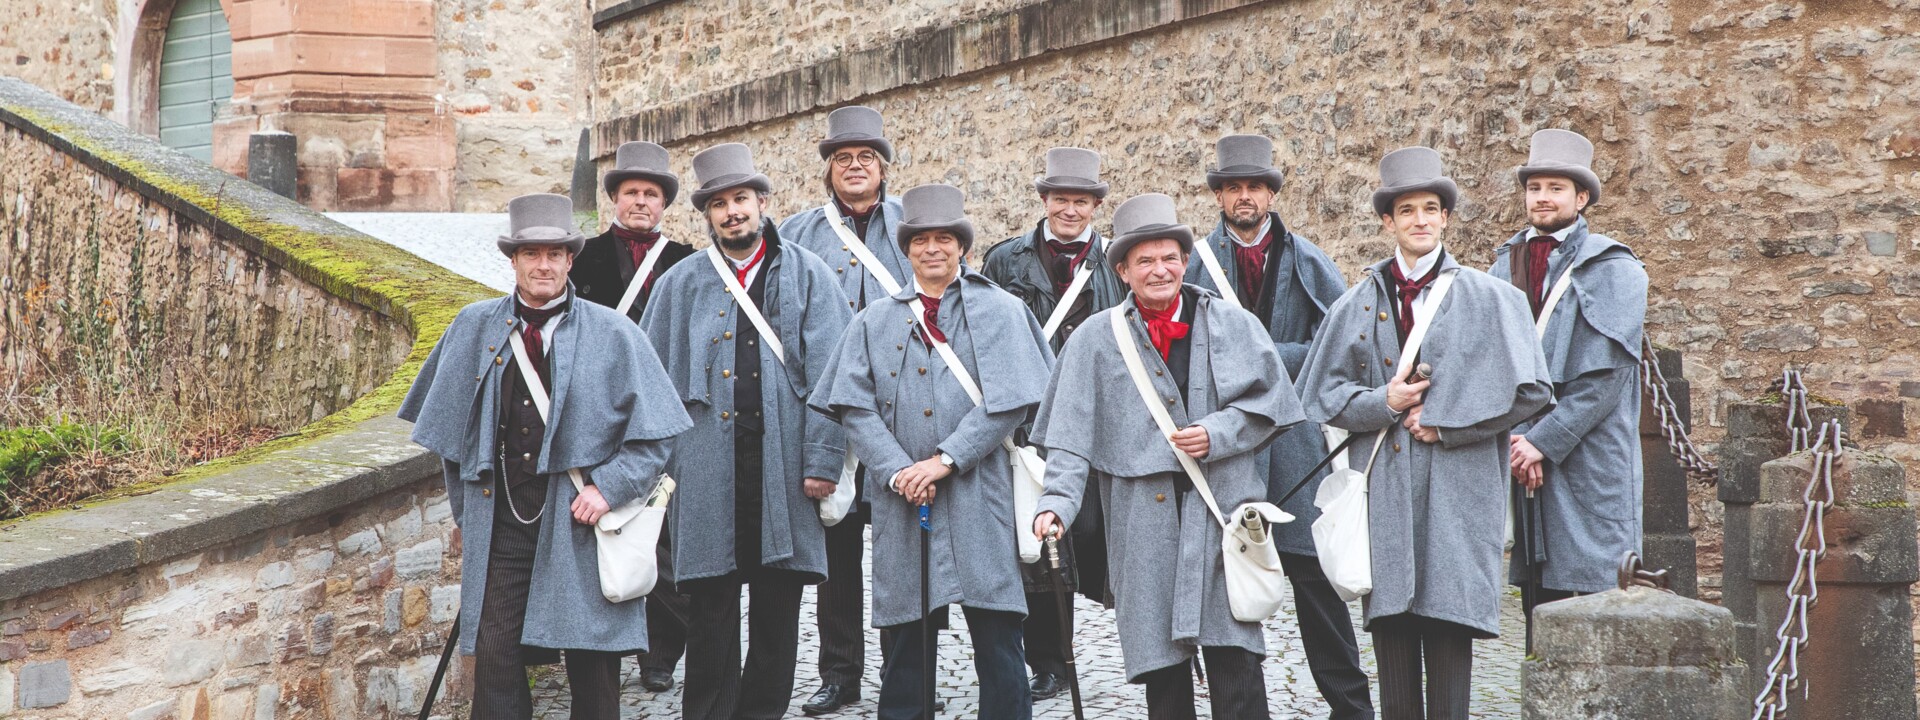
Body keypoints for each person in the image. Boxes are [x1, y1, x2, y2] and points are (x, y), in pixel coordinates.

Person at [398, 192, 692, 719]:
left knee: (592, 660)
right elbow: (450, 440)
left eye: (554, 254)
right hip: (504, 520)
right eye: (531, 253)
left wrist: (610, 488)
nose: (543, 265)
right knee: (494, 652)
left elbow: (659, 436)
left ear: (570, 260)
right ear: (512, 260)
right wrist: (470, 514)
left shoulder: (615, 334)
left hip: (579, 519)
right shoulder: (473, 327)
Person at [1296, 147, 1554, 720]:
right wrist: (1380, 402)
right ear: (1387, 220)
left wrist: (1448, 425)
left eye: (1430, 208)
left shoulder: (1494, 300)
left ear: (1444, 218)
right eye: (1406, 209)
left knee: (1448, 631)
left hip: (1457, 496)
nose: (1419, 219)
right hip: (1384, 494)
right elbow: (1318, 396)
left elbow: (1531, 391)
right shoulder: (1355, 301)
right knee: (1391, 632)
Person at [1032, 193, 1303, 720]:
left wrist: (1217, 432)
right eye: (1145, 261)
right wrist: (1056, 505)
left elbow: (1272, 406)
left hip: (1221, 514)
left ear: (1184, 260)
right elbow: (1067, 439)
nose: (1160, 270)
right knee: (1164, 677)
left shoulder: (1232, 324)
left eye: (1169, 257)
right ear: (1123, 271)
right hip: (1142, 525)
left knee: (1236, 664)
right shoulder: (1092, 340)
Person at [812, 183, 1051, 720]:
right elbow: (854, 406)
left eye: (945, 238)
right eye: (921, 240)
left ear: (962, 246)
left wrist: (943, 460)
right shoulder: (875, 319)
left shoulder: (1001, 309)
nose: (933, 249)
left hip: (979, 495)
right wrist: (899, 471)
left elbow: (1009, 404)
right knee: (907, 644)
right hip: (903, 503)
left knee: (997, 637)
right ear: (908, 248)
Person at [641, 143, 855, 720]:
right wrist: (665, 470)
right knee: (708, 608)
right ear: (706, 214)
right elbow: (652, 385)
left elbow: (836, 378)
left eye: (741, 199)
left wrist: (822, 462)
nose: (732, 211)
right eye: (719, 204)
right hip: (707, 470)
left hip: (785, 470)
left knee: (777, 613)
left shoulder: (810, 276)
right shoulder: (680, 285)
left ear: (762, 201)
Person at [1184, 134, 1369, 719]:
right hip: (1230, 452)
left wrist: (1266, 358)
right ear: (1219, 195)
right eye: (1233, 187)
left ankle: (1351, 707)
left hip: (1296, 449)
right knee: (1234, 587)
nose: (1245, 197)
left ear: (1270, 192)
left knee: (1316, 587)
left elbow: (1342, 347)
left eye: (1254, 187)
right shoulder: (1191, 264)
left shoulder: (1310, 261)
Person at [977, 146, 1126, 701]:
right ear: (1044, 200)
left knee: (1093, 535)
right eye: (1061, 199)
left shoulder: (1116, 260)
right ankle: (1049, 660)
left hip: (1094, 419)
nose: (1070, 209)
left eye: (1081, 201)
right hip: (1028, 423)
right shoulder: (1004, 262)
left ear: (1094, 205)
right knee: (1038, 544)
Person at [777, 105, 911, 715]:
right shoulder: (798, 233)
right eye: (843, 160)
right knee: (835, 551)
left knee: (906, 550)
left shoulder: (915, 226)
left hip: (902, 412)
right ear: (828, 172)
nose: (855, 168)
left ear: (882, 169)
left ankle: (910, 672)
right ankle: (839, 673)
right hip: (828, 410)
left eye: (865, 159)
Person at [1487, 129, 1649, 625]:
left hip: (1589, 462)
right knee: (1539, 606)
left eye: (1556, 188)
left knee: (1593, 603)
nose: (1542, 198)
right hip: (1524, 455)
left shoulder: (1614, 268)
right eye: (1535, 187)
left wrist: (1543, 442)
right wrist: (1517, 439)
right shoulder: (1502, 266)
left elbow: (1605, 379)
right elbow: (1491, 365)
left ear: (1581, 198)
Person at [567, 139, 697, 692]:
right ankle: (604, 641)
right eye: (630, 193)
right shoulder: (583, 257)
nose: (640, 202)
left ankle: (661, 652)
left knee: (663, 532)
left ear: (664, 202)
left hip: (664, 411)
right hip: (602, 412)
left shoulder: (686, 262)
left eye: (650, 193)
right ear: (614, 199)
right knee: (605, 526)